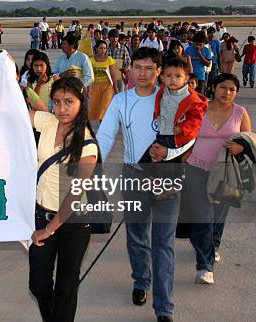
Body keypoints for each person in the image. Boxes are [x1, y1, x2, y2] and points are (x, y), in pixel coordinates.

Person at [97, 48, 183, 322]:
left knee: (163, 242)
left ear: (159, 71)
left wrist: (168, 156)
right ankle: (141, 280)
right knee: (136, 235)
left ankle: (164, 308)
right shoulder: (121, 100)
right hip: (133, 176)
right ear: (130, 70)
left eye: (149, 68)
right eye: (138, 67)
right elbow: (106, 136)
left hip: (167, 178)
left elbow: (191, 135)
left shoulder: (173, 99)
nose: (143, 73)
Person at [28, 77, 98, 322]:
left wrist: (48, 229)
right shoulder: (47, 121)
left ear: (81, 103)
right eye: (56, 102)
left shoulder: (87, 145)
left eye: (69, 102)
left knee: (66, 289)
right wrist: (8, 79)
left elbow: (75, 194)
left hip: (73, 222)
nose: (61, 109)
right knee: (39, 285)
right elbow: (12, 112)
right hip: (40, 213)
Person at [183, 73, 252, 285]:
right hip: (196, 167)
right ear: (213, 88)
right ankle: (205, 267)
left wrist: (241, 147)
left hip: (227, 172)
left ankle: (213, 245)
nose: (227, 92)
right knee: (203, 213)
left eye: (232, 89)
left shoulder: (240, 112)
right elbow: (186, 134)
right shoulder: (199, 108)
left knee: (220, 213)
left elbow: (250, 140)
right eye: (223, 87)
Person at [88, 40, 117, 122]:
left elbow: (113, 75)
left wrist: (115, 88)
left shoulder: (109, 59)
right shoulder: (91, 60)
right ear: (96, 48)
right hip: (96, 86)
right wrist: (87, 89)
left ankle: (104, 124)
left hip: (107, 86)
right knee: (96, 107)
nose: (103, 50)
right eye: (100, 48)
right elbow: (89, 75)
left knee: (105, 106)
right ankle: (101, 122)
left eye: (104, 48)